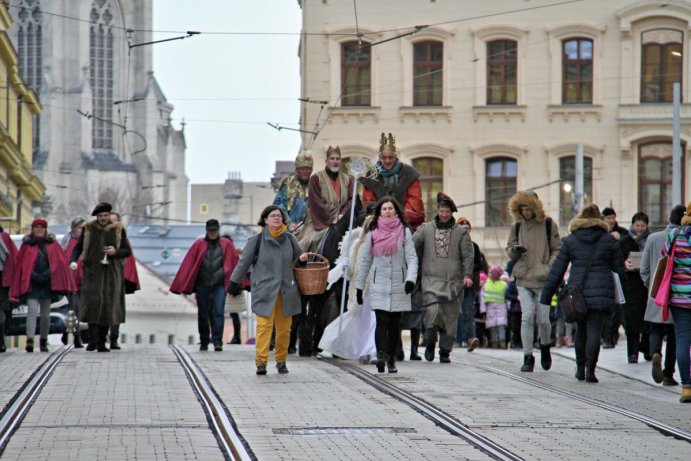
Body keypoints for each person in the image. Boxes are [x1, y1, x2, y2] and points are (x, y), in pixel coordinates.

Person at [540, 205, 626, 383]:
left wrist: (546, 295)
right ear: (600, 220)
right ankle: (590, 371)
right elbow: (619, 269)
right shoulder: (608, 240)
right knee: (595, 330)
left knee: (581, 330)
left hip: (577, 292)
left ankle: (580, 368)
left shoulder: (571, 240)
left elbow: (557, 269)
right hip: (601, 291)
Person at [361, 133, 425, 360]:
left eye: (390, 157)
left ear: (395, 156)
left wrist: (396, 217)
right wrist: (380, 214)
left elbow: (415, 203)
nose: (387, 160)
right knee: (356, 244)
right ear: (380, 156)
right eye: (384, 157)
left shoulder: (409, 174)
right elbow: (367, 200)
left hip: (405, 223)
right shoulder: (371, 175)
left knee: (419, 250)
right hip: (377, 222)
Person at [228, 206, 307, 375]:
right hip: (264, 290)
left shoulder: (290, 239)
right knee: (264, 327)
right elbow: (243, 264)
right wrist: (234, 283)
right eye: (273, 216)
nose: (277, 218)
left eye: (279, 216)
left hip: (286, 290)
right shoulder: (256, 240)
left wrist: (302, 260)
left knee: (285, 329)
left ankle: (281, 361)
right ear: (265, 220)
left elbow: (299, 259)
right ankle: (261, 362)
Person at [355, 197, 418, 373]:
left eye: (391, 208)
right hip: (379, 283)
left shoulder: (405, 232)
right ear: (379, 212)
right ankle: (381, 355)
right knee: (381, 322)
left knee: (394, 324)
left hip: (400, 284)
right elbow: (366, 261)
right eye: (384, 209)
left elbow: (412, 258)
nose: (388, 211)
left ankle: (391, 359)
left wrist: (410, 279)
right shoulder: (373, 233)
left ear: (396, 211)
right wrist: (359, 287)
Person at [413, 193, 473, 363]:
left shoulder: (461, 233)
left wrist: (468, 275)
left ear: (452, 213)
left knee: (450, 318)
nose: (444, 214)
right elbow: (411, 245)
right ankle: (430, 343)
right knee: (431, 315)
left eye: (447, 211)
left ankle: (445, 350)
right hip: (430, 281)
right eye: (442, 210)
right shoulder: (426, 229)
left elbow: (468, 256)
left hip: (454, 283)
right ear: (438, 210)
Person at [506, 190, 561, 372]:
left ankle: (545, 346)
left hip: (542, 279)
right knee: (527, 317)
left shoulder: (548, 224)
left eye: (528, 208)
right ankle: (527, 356)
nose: (525, 212)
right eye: (522, 209)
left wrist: (548, 267)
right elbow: (509, 248)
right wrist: (515, 250)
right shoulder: (516, 226)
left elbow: (557, 249)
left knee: (544, 320)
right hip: (523, 277)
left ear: (535, 207)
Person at [71, 202, 132, 352]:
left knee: (108, 307)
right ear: (96, 216)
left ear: (109, 215)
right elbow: (78, 248)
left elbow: (127, 250)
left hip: (112, 273)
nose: (103, 219)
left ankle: (101, 342)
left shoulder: (117, 229)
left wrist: (115, 251)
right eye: (100, 216)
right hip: (92, 272)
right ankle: (92, 340)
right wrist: (73, 260)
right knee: (93, 305)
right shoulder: (89, 228)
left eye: (105, 215)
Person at [170, 219, 238, 352]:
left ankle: (217, 341)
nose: (212, 233)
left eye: (214, 230)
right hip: (202, 284)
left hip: (219, 285)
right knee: (203, 314)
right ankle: (204, 341)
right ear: (206, 231)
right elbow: (188, 264)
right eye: (210, 230)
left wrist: (235, 284)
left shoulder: (226, 244)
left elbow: (234, 262)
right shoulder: (199, 244)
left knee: (218, 312)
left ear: (218, 230)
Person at [318, 215, 377, 362]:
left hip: (376, 289)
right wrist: (345, 266)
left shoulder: (382, 245)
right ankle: (351, 348)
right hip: (359, 290)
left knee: (374, 322)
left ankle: (373, 352)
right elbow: (351, 273)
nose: (371, 231)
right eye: (369, 227)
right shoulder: (357, 245)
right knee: (358, 322)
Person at [640, 204, 685, 386]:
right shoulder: (684, 238)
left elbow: (644, 269)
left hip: (656, 291)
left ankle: (656, 351)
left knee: (656, 328)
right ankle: (668, 374)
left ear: (669, 219)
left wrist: (651, 285)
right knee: (675, 334)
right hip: (678, 292)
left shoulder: (653, 238)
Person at [14, 219, 73, 353]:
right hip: (32, 284)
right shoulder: (27, 245)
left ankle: (43, 340)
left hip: (48, 284)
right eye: (36, 227)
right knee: (32, 312)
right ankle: (30, 340)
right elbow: (23, 264)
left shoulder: (52, 244)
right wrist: (34, 275)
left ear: (46, 229)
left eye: (41, 227)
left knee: (46, 314)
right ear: (33, 229)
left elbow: (58, 263)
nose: (39, 230)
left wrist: (46, 274)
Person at [661, 202, 691, 403]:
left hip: (679, 297)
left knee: (682, 339)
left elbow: (665, 254)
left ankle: (687, 386)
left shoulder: (675, 234)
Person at [620, 211, 651, 363]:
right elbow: (617, 260)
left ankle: (647, 349)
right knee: (631, 319)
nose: (639, 228)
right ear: (632, 225)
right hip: (630, 284)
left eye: (642, 226)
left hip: (646, 284)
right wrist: (624, 265)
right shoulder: (624, 241)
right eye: (637, 225)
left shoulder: (650, 240)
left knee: (647, 318)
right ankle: (632, 353)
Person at [108, 211, 140, 350]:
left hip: (117, 277)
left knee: (116, 308)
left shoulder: (122, 237)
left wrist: (116, 252)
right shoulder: (98, 236)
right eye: (111, 222)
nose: (113, 225)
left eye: (115, 222)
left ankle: (114, 337)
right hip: (100, 277)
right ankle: (99, 338)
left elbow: (127, 254)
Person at [455, 216, 486, 352]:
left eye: (467, 229)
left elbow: (478, 267)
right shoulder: (454, 245)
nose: (465, 231)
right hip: (455, 286)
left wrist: (475, 283)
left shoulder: (474, 247)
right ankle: (457, 339)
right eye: (462, 228)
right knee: (456, 314)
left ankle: (469, 339)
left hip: (469, 286)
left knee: (468, 313)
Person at [601, 207, 628, 348]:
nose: (611, 220)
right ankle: (607, 338)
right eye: (608, 218)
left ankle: (616, 336)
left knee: (620, 309)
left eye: (613, 217)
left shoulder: (622, 233)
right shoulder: (600, 233)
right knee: (608, 310)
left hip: (620, 274)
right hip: (605, 274)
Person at [60, 216, 86, 348]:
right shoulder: (67, 240)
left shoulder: (87, 241)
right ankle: (76, 337)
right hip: (70, 280)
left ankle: (67, 333)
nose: (81, 230)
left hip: (84, 279)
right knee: (75, 309)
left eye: (83, 228)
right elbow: (62, 256)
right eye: (79, 227)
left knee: (78, 309)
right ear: (73, 228)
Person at [273, 150, 313, 237]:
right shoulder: (287, 183)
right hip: (288, 229)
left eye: (308, 169)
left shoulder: (316, 184)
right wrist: (289, 223)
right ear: (296, 170)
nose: (305, 171)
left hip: (309, 230)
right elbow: (279, 206)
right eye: (302, 169)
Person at [221, 233, 244, 345]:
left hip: (232, 288)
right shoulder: (232, 254)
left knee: (233, 313)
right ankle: (236, 337)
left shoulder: (231, 254)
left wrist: (234, 288)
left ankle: (236, 337)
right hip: (232, 287)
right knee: (233, 314)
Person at [0, 225, 18, 353]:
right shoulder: (5, 237)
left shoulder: (5, 237)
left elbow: (12, 258)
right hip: (4, 280)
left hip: (3, 280)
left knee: (1, 310)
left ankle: (1, 340)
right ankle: (1, 341)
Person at [481, 266, 509, 349]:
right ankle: (497, 343)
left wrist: (483, 311)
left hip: (494, 309)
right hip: (498, 309)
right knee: (495, 327)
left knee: (498, 327)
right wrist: (483, 311)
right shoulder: (503, 285)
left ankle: (499, 343)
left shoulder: (487, 285)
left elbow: (482, 299)